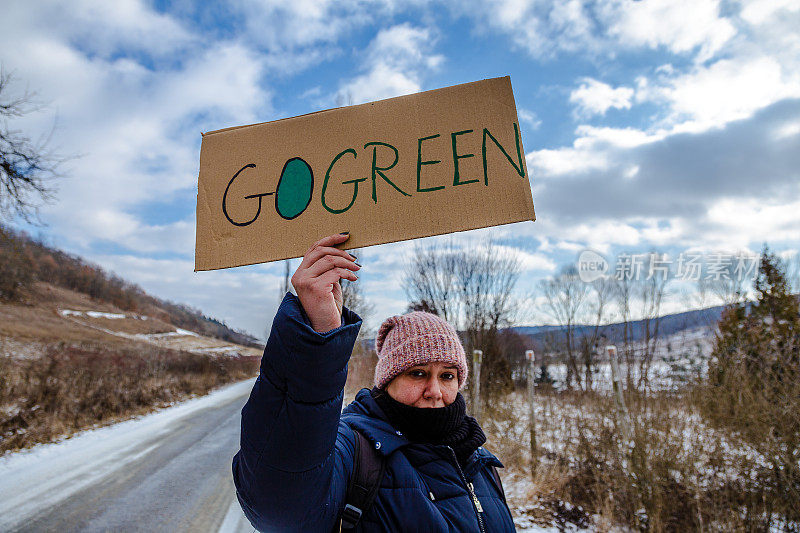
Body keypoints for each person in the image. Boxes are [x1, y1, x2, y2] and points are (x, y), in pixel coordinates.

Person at [232, 233, 515, 532]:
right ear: (387, 380)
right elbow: (280, 504)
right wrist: (316, 342)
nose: (435, 392)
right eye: (417, 373)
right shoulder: (355, 453)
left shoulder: (479, 462)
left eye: (447, 376)